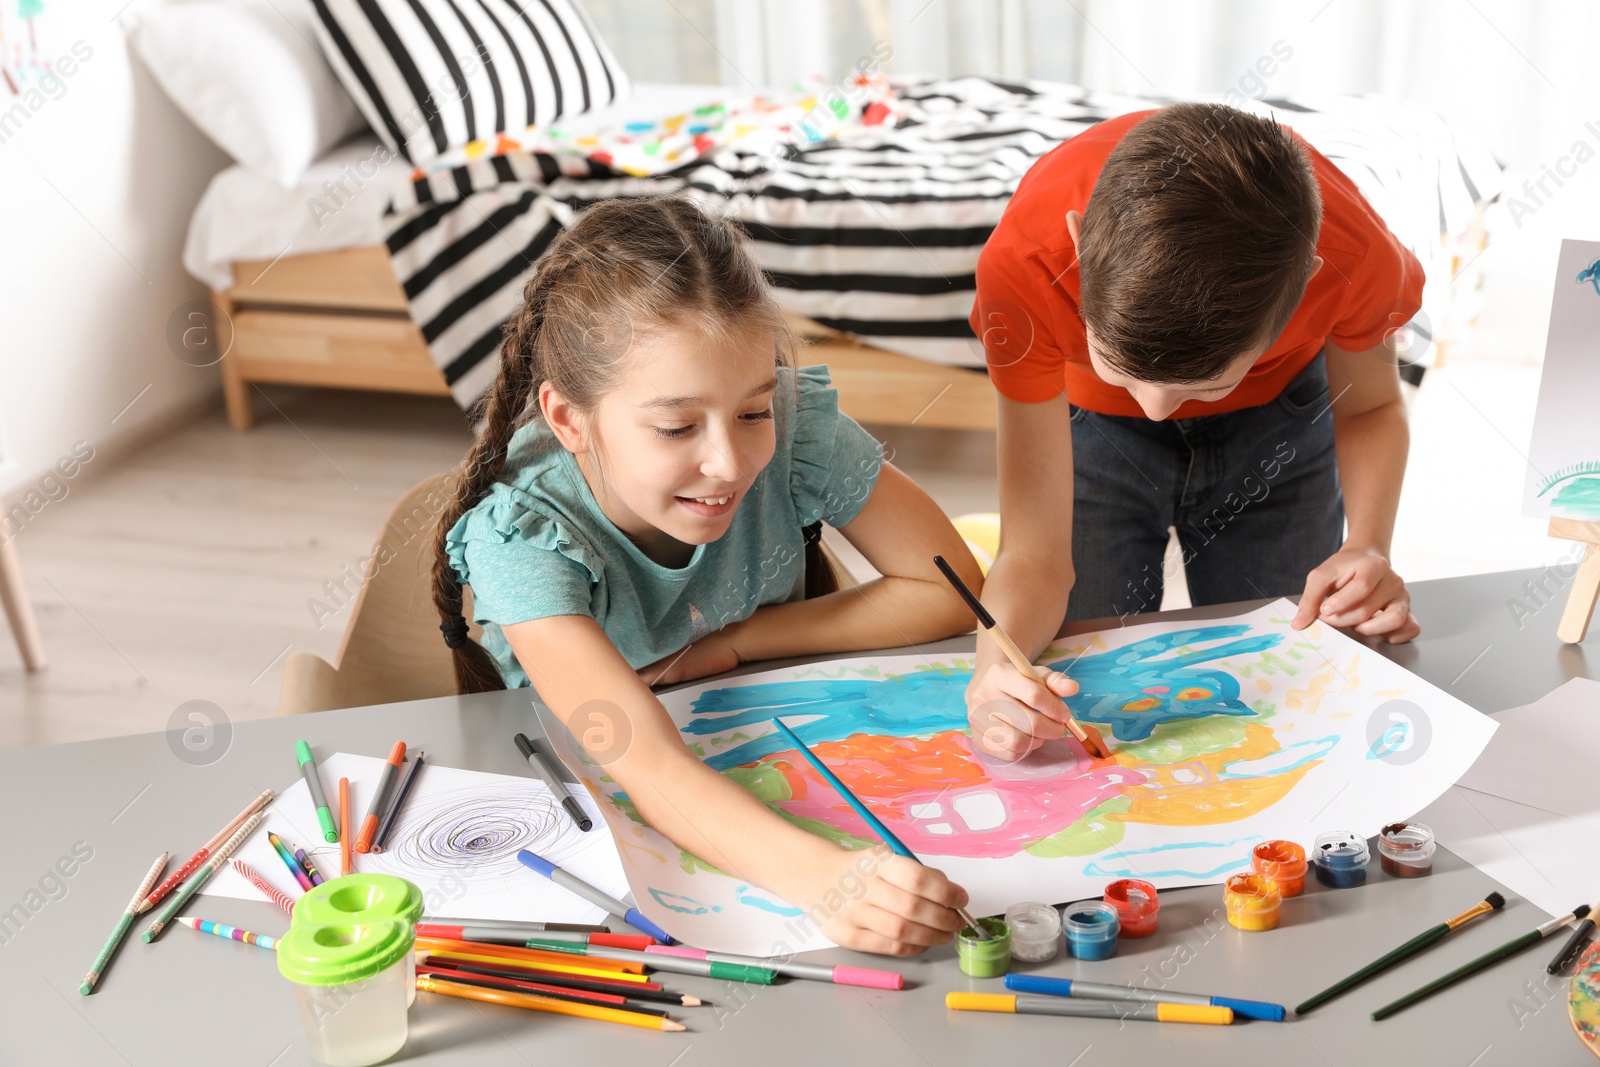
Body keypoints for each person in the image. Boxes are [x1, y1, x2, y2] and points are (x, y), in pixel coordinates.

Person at [430, 195, 985, 956]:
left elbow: (950, 586)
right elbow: (646, 763)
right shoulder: (522, 536)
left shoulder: (792, 427)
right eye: (676, 427)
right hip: (581, 809)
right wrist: (826, 881)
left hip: (767, 737)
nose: (729, 464)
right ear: (569, 420)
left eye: (753, 412)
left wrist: (742, 640)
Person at [967, 102, 1423, 761]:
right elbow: (1034, 554)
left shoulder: (1354, 253)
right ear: (1075, 246)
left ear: (1308, 287)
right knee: (1083, 662)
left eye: (1205, 384)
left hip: (1277, 422)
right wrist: (994, 668)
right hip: (1088, 428)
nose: (1157, 409)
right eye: (1122, 368)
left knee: (1287, 675)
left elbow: (1370, 407)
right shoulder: (1027, 265)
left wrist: (1369, 546)